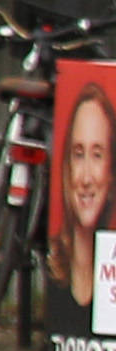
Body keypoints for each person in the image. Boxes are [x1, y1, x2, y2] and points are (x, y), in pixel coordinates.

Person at [55, 82, 112, 333]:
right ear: (66, 165)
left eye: (97, 154)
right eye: (78, 154)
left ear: (111, 172)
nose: (86, 177)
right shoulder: (53, 265)